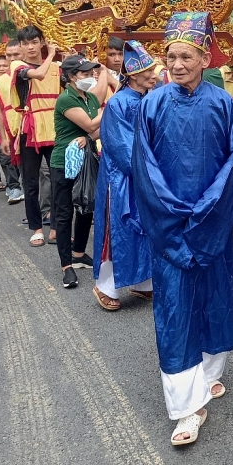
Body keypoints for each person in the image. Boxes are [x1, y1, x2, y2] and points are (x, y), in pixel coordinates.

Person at [132, 11, 233, 447]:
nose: (177, 64)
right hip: (170, 229)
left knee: (215, 298)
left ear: (204, 57)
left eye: (186, 56)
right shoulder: (152, 105)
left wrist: (208, 213)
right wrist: (179, 216)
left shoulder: (222, 104)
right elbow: (146, 169)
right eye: (171, 55)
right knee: (175, 312)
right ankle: (186, 407)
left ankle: (211, 373)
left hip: (213, 225)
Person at [92, 41, 156, 311]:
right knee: (119, 231)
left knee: (146, 229)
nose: (155, 75)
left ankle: (143, 283)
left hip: (146, 174)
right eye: (150, 71)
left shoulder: (150, 98)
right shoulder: (118, 103)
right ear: (133, 75)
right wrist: (151, 168)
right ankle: (106, 286)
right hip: (122, 179)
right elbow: (121, 146)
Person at [50, 55, 104, 289]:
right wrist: (111, 107)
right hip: (64, 163)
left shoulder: (90, 97)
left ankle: (79, 253)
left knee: (86, 207)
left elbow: (97, 130)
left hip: (87, 161)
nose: (91, 76)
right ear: (72, 77)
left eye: (92, 71)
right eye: (85, 73)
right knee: (64, 214)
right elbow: (93, 124)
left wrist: (89, 137)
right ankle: (66, 266)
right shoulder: (66, 99)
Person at [9, 26, 62, 247]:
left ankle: (58, 226)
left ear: (42, 41)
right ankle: (37, 228)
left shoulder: (57, 69)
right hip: (30, 129)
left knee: (60, 180)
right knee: (31, 183)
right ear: (20, 46)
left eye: (35, 41)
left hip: (56, 128)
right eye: (26, 43)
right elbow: (39, 74)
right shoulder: (18, 65)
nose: (30, 47)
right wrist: (51, 53)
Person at [0, 50, 24, 203]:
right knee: (5, 158)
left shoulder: (22, 76)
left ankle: (13, 185)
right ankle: (12, 186)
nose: (1, 68)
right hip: (2, 126)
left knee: (16, 158)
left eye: (3, 65)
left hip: (19, 124)